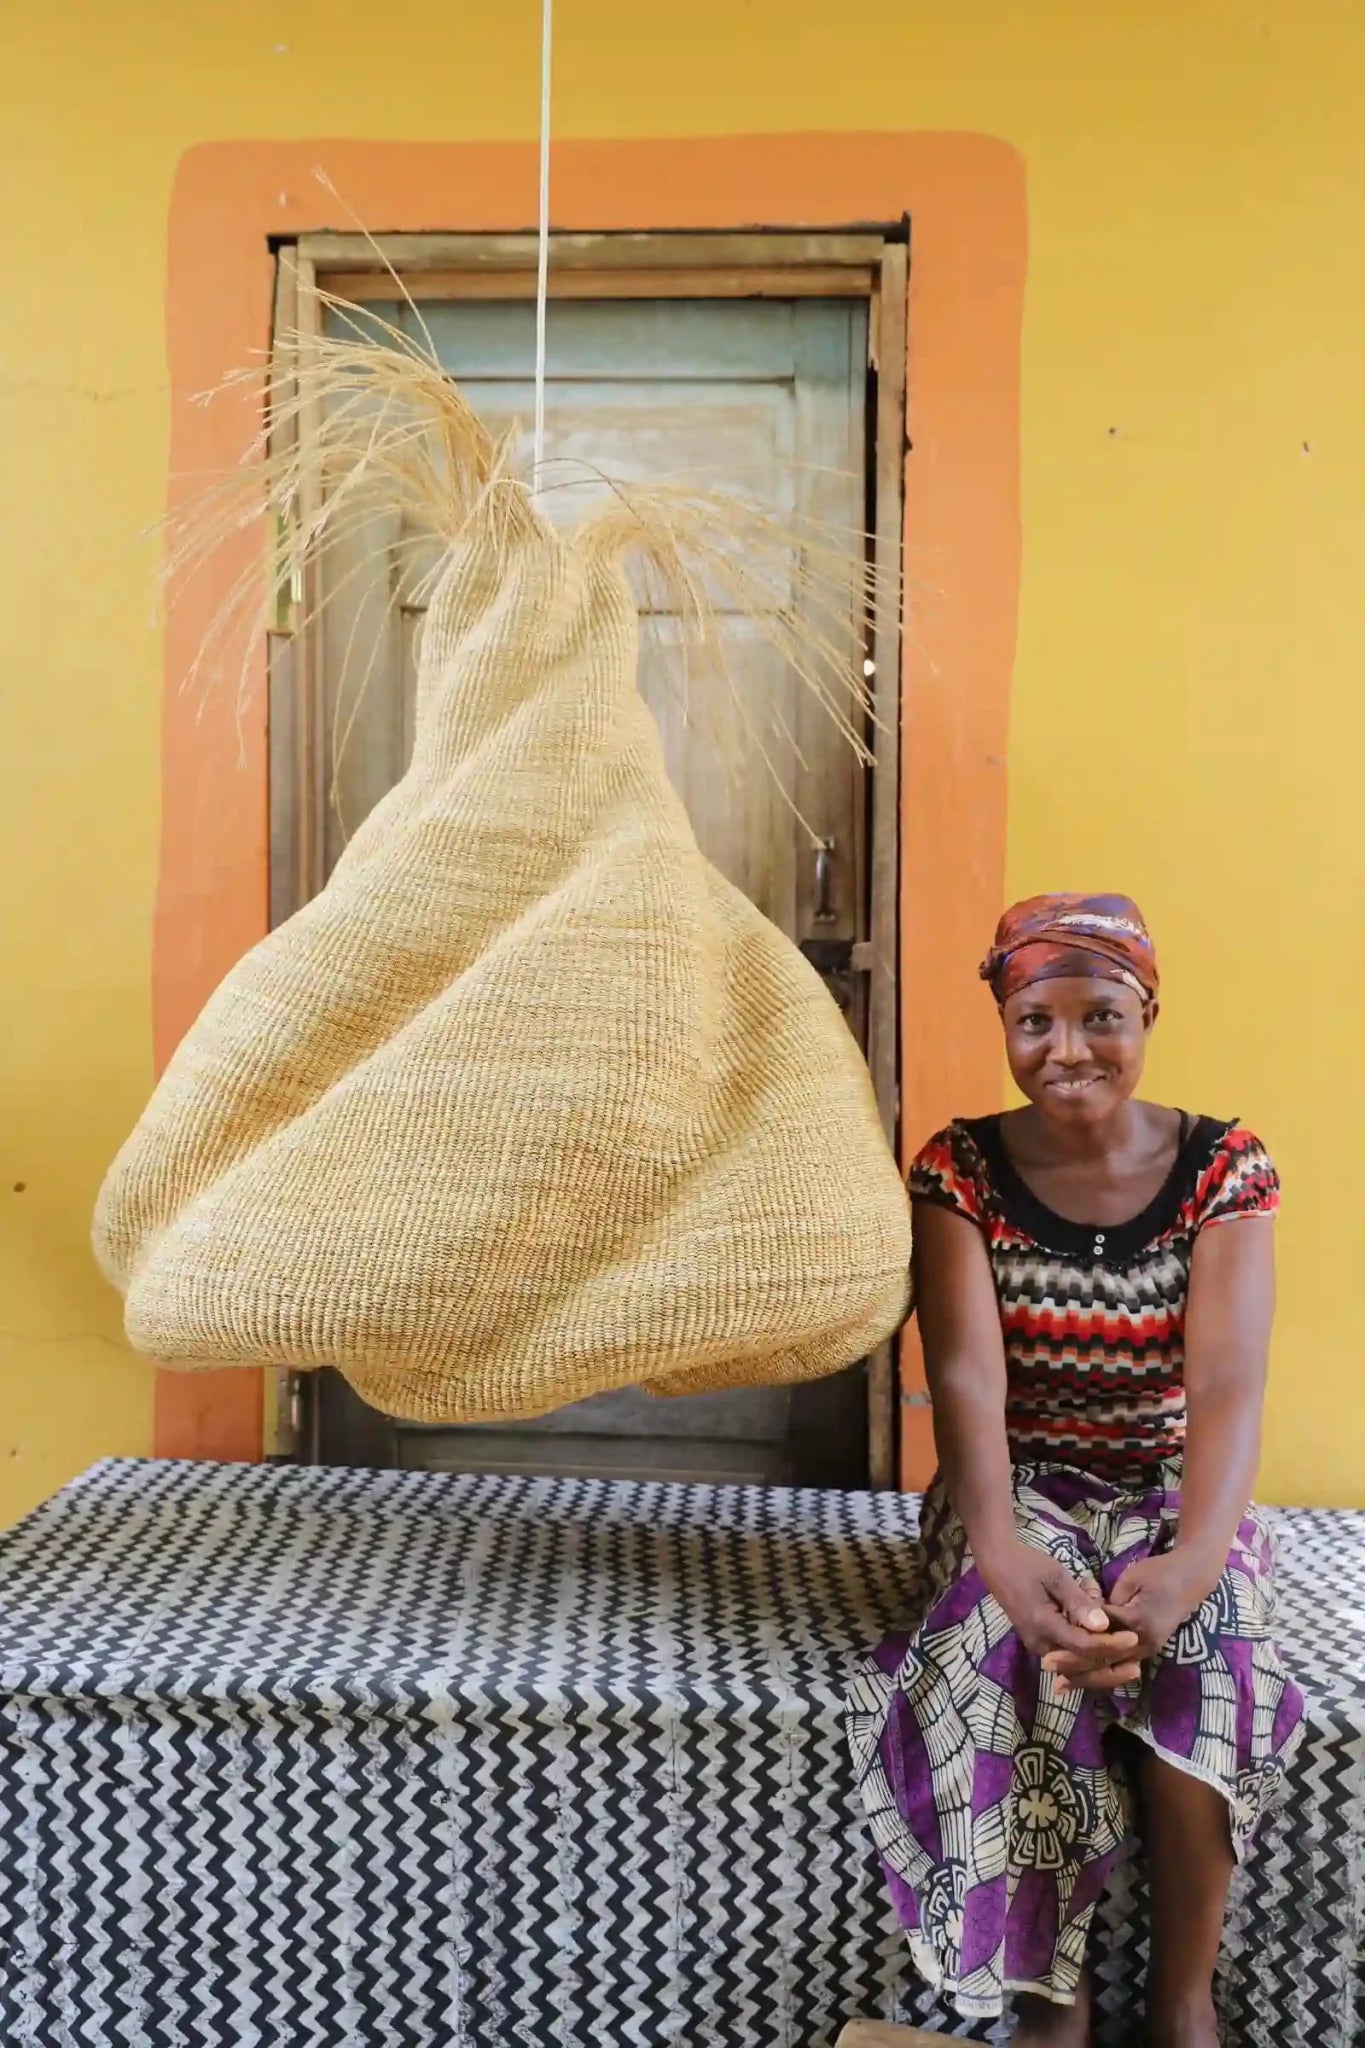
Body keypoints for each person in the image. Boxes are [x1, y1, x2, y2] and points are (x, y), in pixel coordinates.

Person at [846, 894, 1304, 2047]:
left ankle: (1181, 1995)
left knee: (1213, 1641)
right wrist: (1001, 1552)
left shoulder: (1224, 1170)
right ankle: (1050, 1994)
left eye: (1101, 1015)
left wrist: (1196, 1558)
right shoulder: (960, 1170)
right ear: (1003, 1020)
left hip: (1168, 1477)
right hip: (1019, 1479)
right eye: (1034, 1019)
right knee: (1017, 1652)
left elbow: (1229, 1387)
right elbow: (965, 1381)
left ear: (1148, 1011)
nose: (1068, 1049)